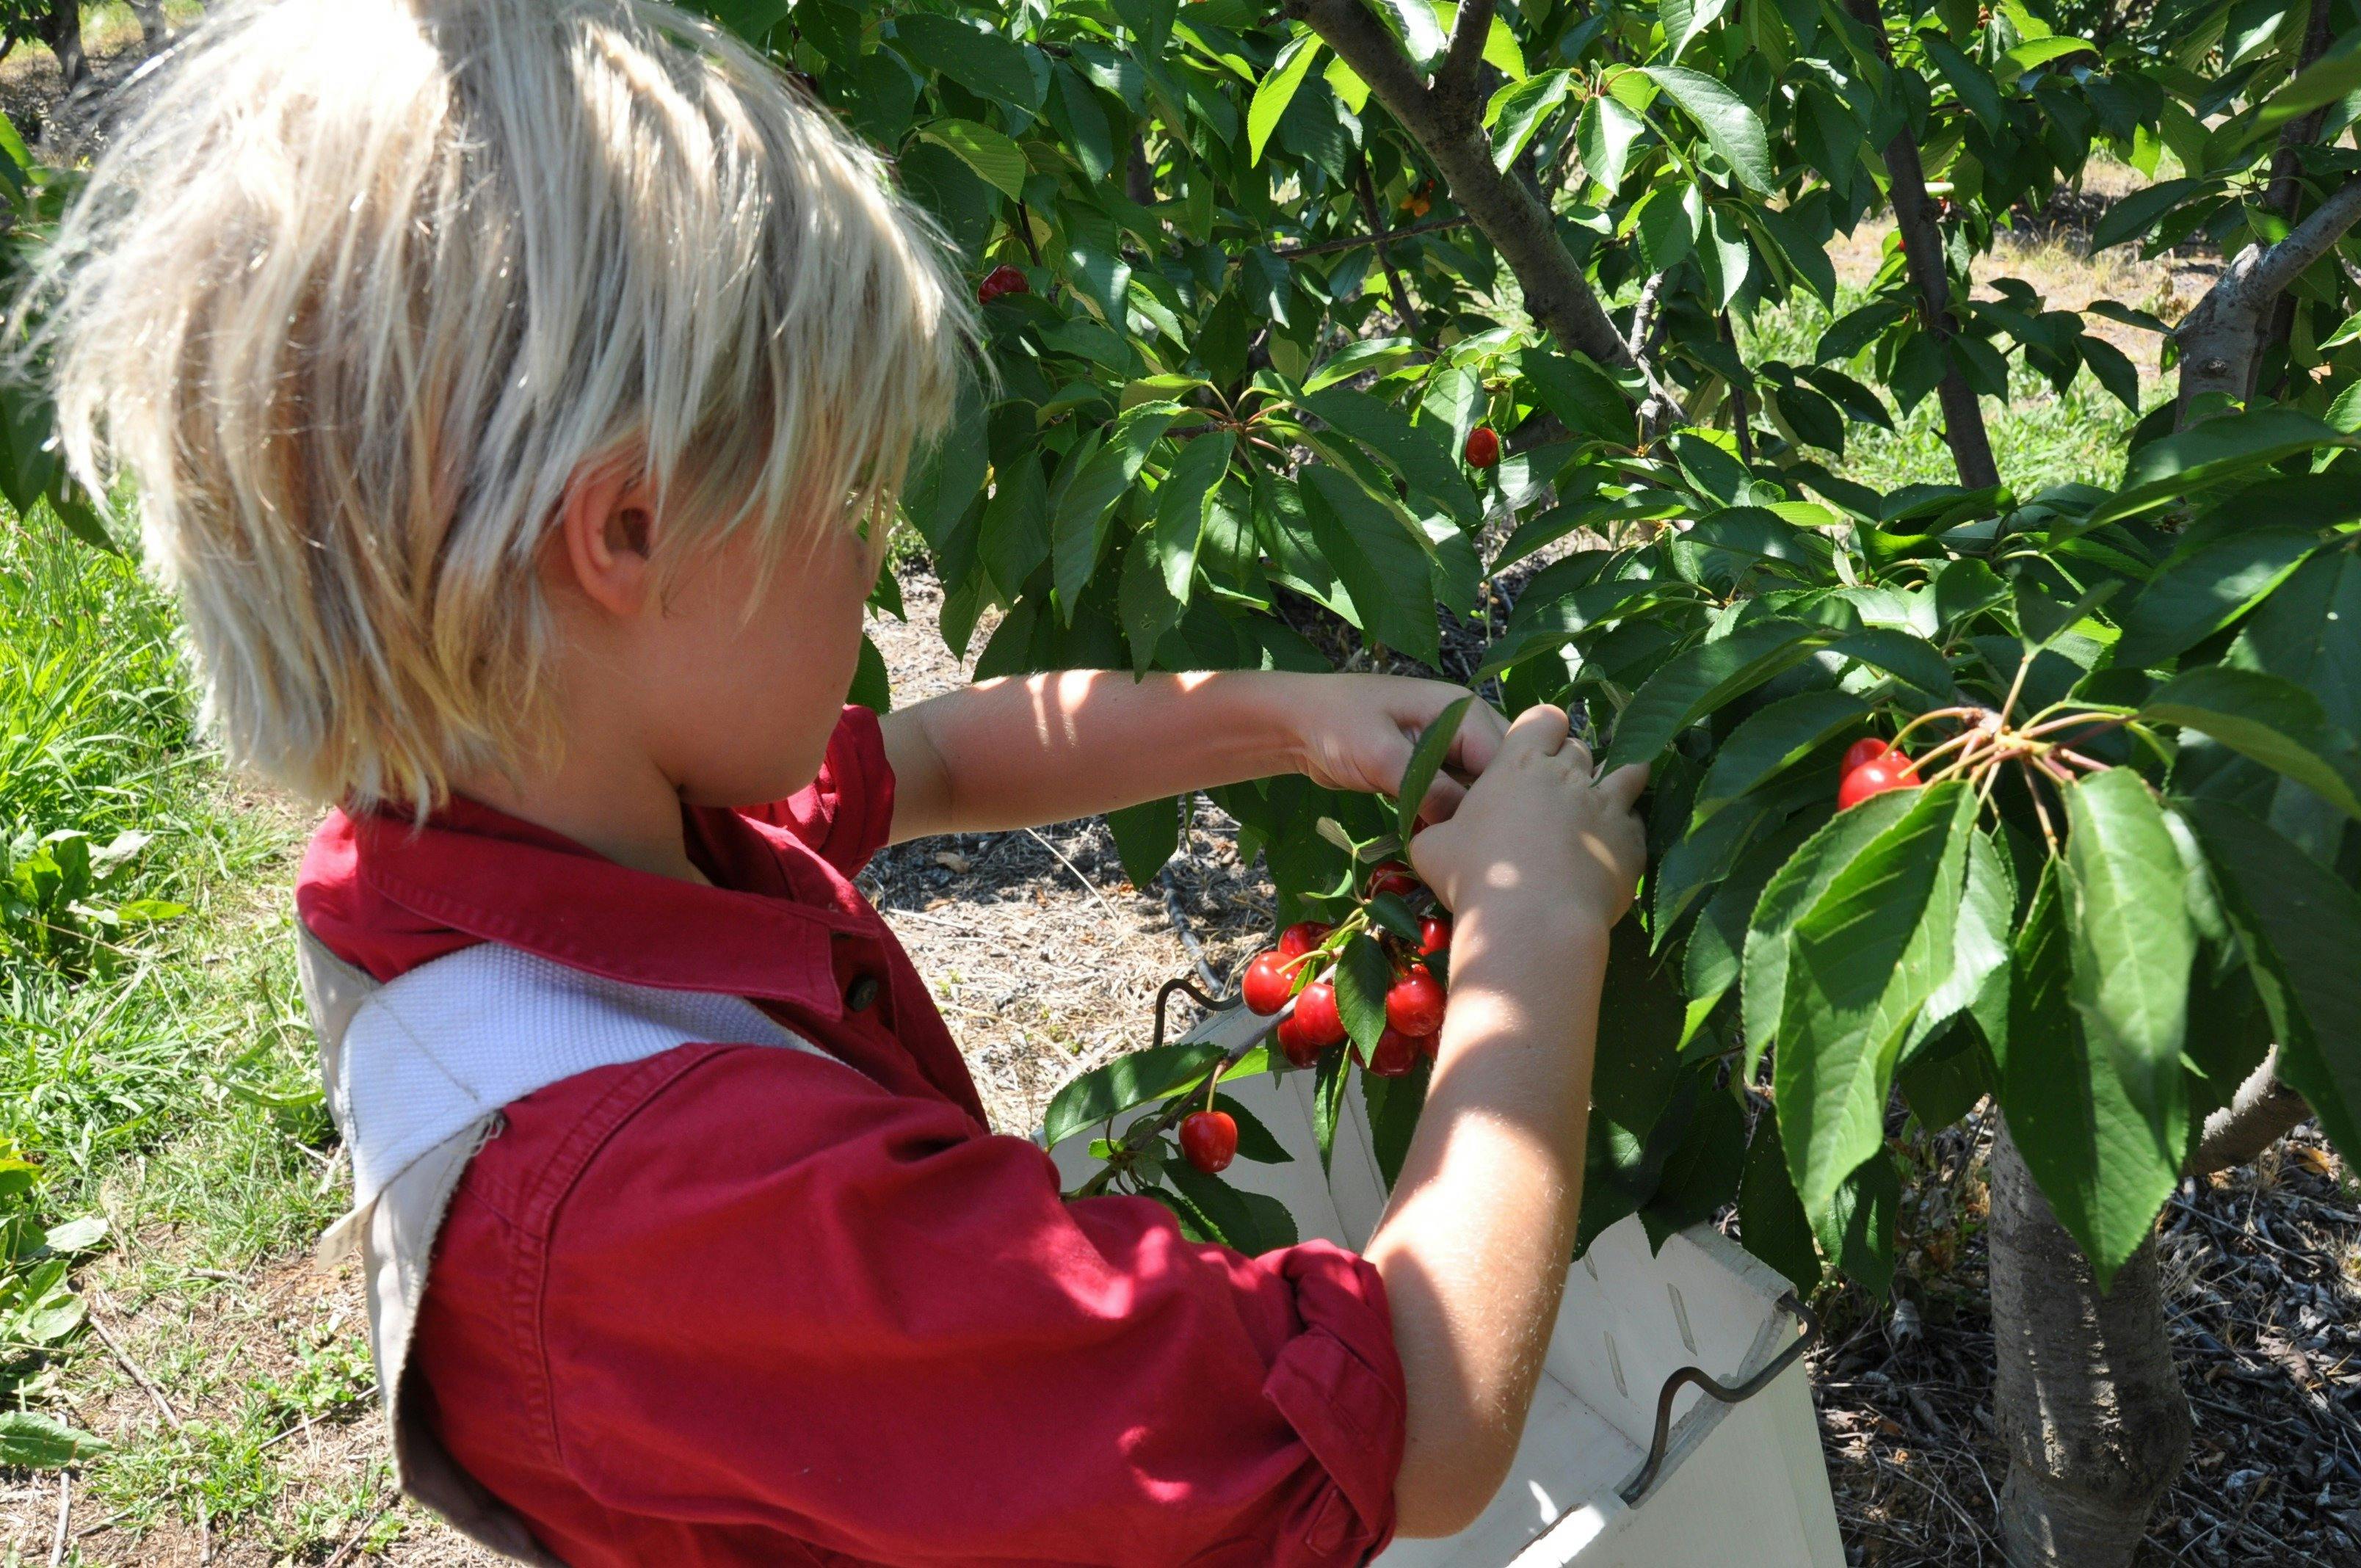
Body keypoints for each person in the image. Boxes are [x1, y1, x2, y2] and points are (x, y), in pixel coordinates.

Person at [34, 1, 1648, 1563]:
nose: (883, 544)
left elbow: (946, 754)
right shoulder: (702, 1223)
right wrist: (1534, 931)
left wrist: (1290, 715)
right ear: (632, 530)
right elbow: (1424, 1423)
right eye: (851, 488)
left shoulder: (537, 829)